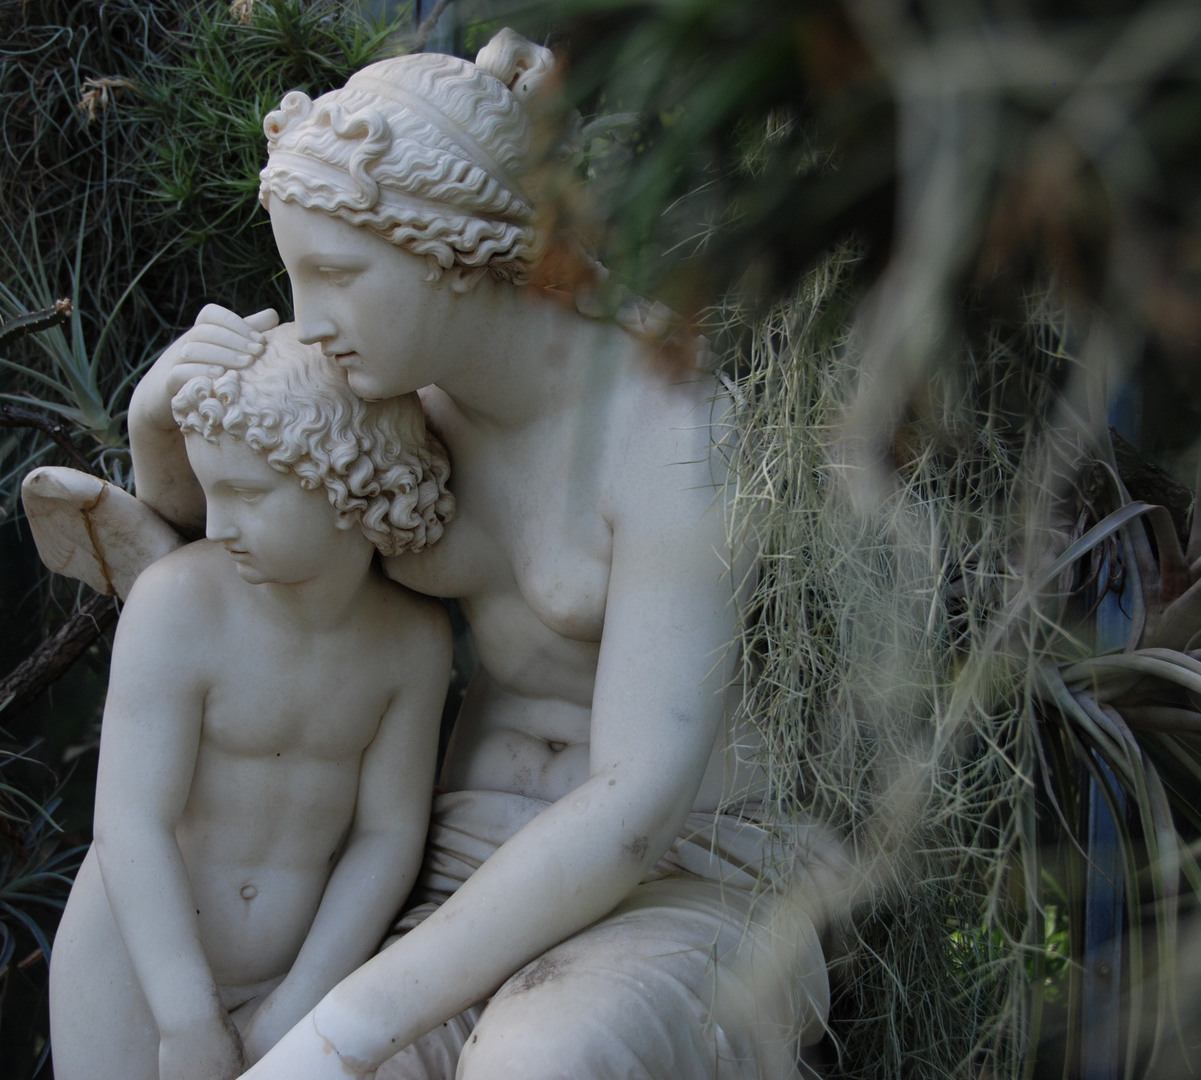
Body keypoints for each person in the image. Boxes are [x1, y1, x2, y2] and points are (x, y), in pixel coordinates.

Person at [113, 28, 839, 1080]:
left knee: (535, 1066)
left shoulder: (671, 432)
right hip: (451, 868)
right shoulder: (386, 402)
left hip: (684, 879)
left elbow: (633, 808)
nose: (307, 323)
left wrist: (337, 1031)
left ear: (446, 248)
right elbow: (231, 542)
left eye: (335, 275)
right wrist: (153, 417)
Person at [47, 328, 455, 1080]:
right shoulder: (182, 604)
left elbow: (386, 835)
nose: (220, 523)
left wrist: (304, 995)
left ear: (344, 480)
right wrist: (185, 1019)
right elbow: (131, 820)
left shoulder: (412, 643)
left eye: (247, 494)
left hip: (293, 974)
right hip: (139, 974)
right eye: (210, 491)